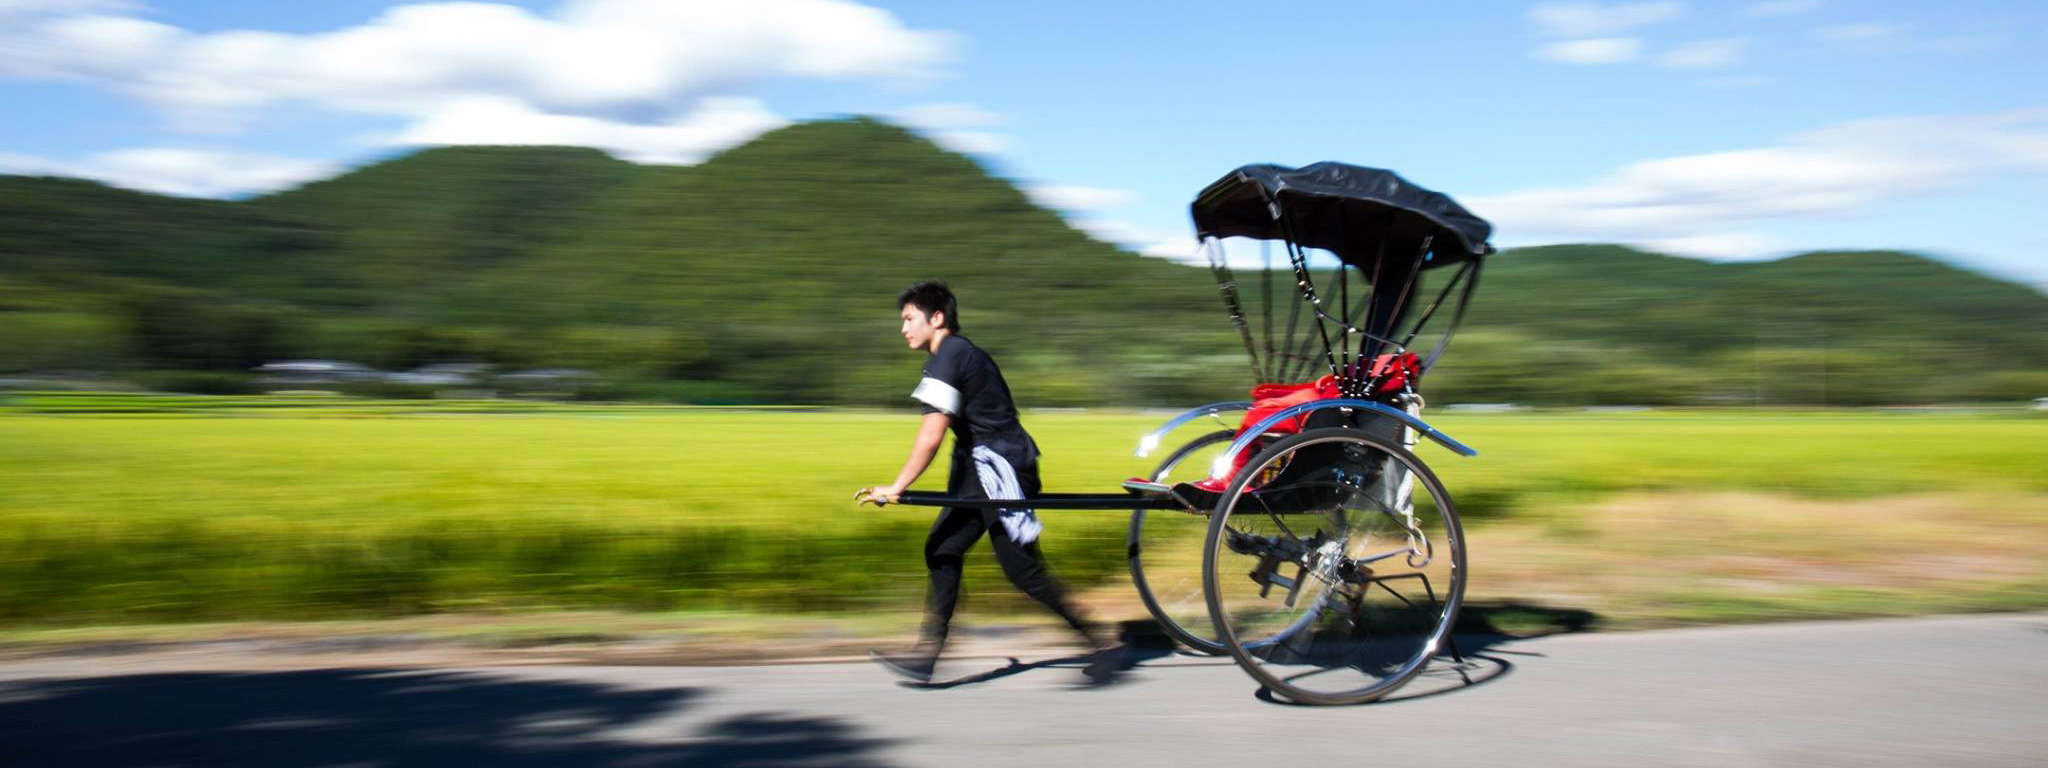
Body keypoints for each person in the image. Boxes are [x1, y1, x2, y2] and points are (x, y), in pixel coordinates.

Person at [856, 281, 1118, 684]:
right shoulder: (953, 355)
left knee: (1023, 571)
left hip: (999, 467)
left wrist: (896, 486)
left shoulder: (951, 354)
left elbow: (932, 434)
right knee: (943, 547)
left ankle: (1100, 641)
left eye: (909, 318)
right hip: (980, 466)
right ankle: (928, 654)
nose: (903, 328)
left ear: (936, 318)